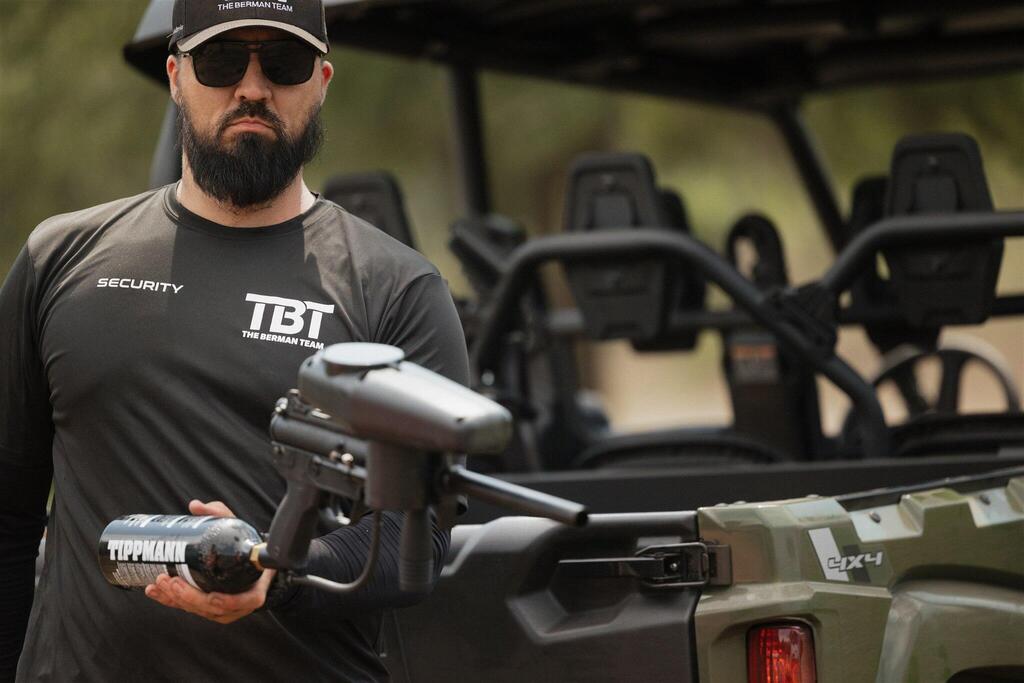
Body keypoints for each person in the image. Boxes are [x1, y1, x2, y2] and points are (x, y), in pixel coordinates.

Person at [0, 0, 468, 680]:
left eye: (283, 62)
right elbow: (7, 517)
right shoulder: (59, 259)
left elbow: (414, 536)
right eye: (221, 61)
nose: (252, 87)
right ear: (176, 76)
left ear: (322, 81)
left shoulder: (396, 288)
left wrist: (282, 574)